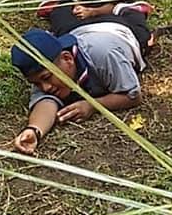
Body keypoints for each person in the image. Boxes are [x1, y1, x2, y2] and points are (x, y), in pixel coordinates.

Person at [10, 26, 145, 155]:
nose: (45, 87)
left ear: (67, 58)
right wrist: (34, 130)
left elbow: (133, 95)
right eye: (36, 83)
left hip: (119, 31)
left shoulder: (105, 55)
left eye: (46, 78)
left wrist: (92, 105)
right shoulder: (44, 71)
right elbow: (45, 102)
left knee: (142, 31)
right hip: (79, 30)